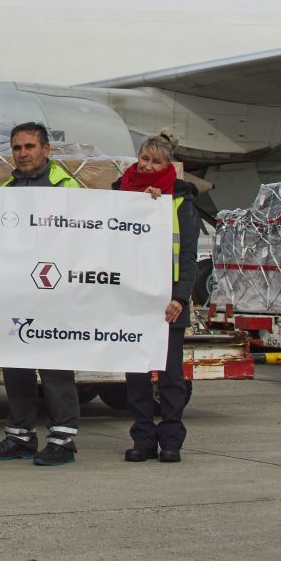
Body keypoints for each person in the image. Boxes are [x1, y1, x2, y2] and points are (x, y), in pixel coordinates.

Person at [0, 122, 84, 466]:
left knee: (55, 367)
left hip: (54, 291)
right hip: (17, 292)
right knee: (16, 368)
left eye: (29, 147)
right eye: (17, 148)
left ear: (46, 150)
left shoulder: (66, 187)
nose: (23, 154)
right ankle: (20, 436)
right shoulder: (8, 189)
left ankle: (63, 440)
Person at [117, 135, 201, 463]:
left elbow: (189, 255)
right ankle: (142, 437)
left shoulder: (180, 199)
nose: (147, 166)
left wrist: (180, 297)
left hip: (169, 303)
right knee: (136, 374)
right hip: (133, 300)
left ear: (168, 166)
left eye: (155, 162)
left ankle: (171, 438)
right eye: (144, 158)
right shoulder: (119, 192)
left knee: (170, 376)